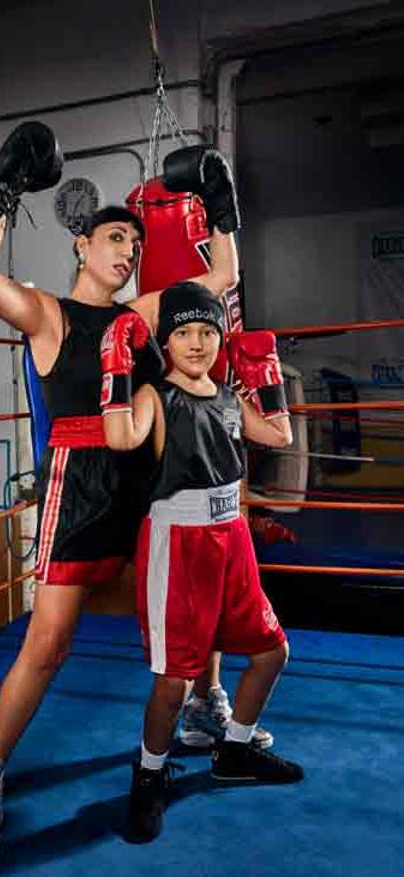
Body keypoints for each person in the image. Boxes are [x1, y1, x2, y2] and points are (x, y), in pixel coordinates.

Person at [0, 122, 239, 866]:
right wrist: (0, 194)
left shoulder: (141, 319)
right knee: (47, 646)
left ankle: (204, 706)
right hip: (77, 489)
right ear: (82, 244)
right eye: (114, 238)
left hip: (148, 482)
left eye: (134, 245)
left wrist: (220, 208)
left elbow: (220, 283)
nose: (128, 251)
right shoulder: (51, 314)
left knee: (194, 597)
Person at [100, 281, 304, 843]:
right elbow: (119, 438)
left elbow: (280, 433)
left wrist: (265, 373)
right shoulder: (152, 396)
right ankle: (147, 775)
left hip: (232, 537)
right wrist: (115, 368)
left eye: (207, 332)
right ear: (166, 341)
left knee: (271, 651)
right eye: (184, 332)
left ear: (220, 339)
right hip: (179, 541)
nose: (196, 343)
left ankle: (235, 749)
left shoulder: (225, 396)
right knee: (173, 681)